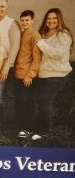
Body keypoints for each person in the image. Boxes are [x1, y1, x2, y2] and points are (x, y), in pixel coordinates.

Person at [32, 8, 73, 140]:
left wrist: (40, 42)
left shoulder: (63, 34)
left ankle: (44, 130)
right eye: (49, 18)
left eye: (54, 18)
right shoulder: (43, 33)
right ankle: (39, 124)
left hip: (58, 74)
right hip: (43, 73)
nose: (51, 21)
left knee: (44, 98)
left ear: (59, 19)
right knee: (40, 99)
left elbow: (57, 54)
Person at [0, 0, 21, 126]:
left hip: (6, 65)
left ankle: (2, 121)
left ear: (7, 9)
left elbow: (15, 46)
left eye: (2, 6)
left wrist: (6, 67)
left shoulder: (12, 23)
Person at [11, 10, 42, 138]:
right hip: (17, 74)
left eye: (27, 20)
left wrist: (30, 75)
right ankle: (21, 126)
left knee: (27, 103)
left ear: (32, 20)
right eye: (22, 20)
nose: (24, 22)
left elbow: (37, 58)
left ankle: (28, 128)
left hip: (27, 76)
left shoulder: (35, 35)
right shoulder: (22, 33)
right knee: (19, 102)